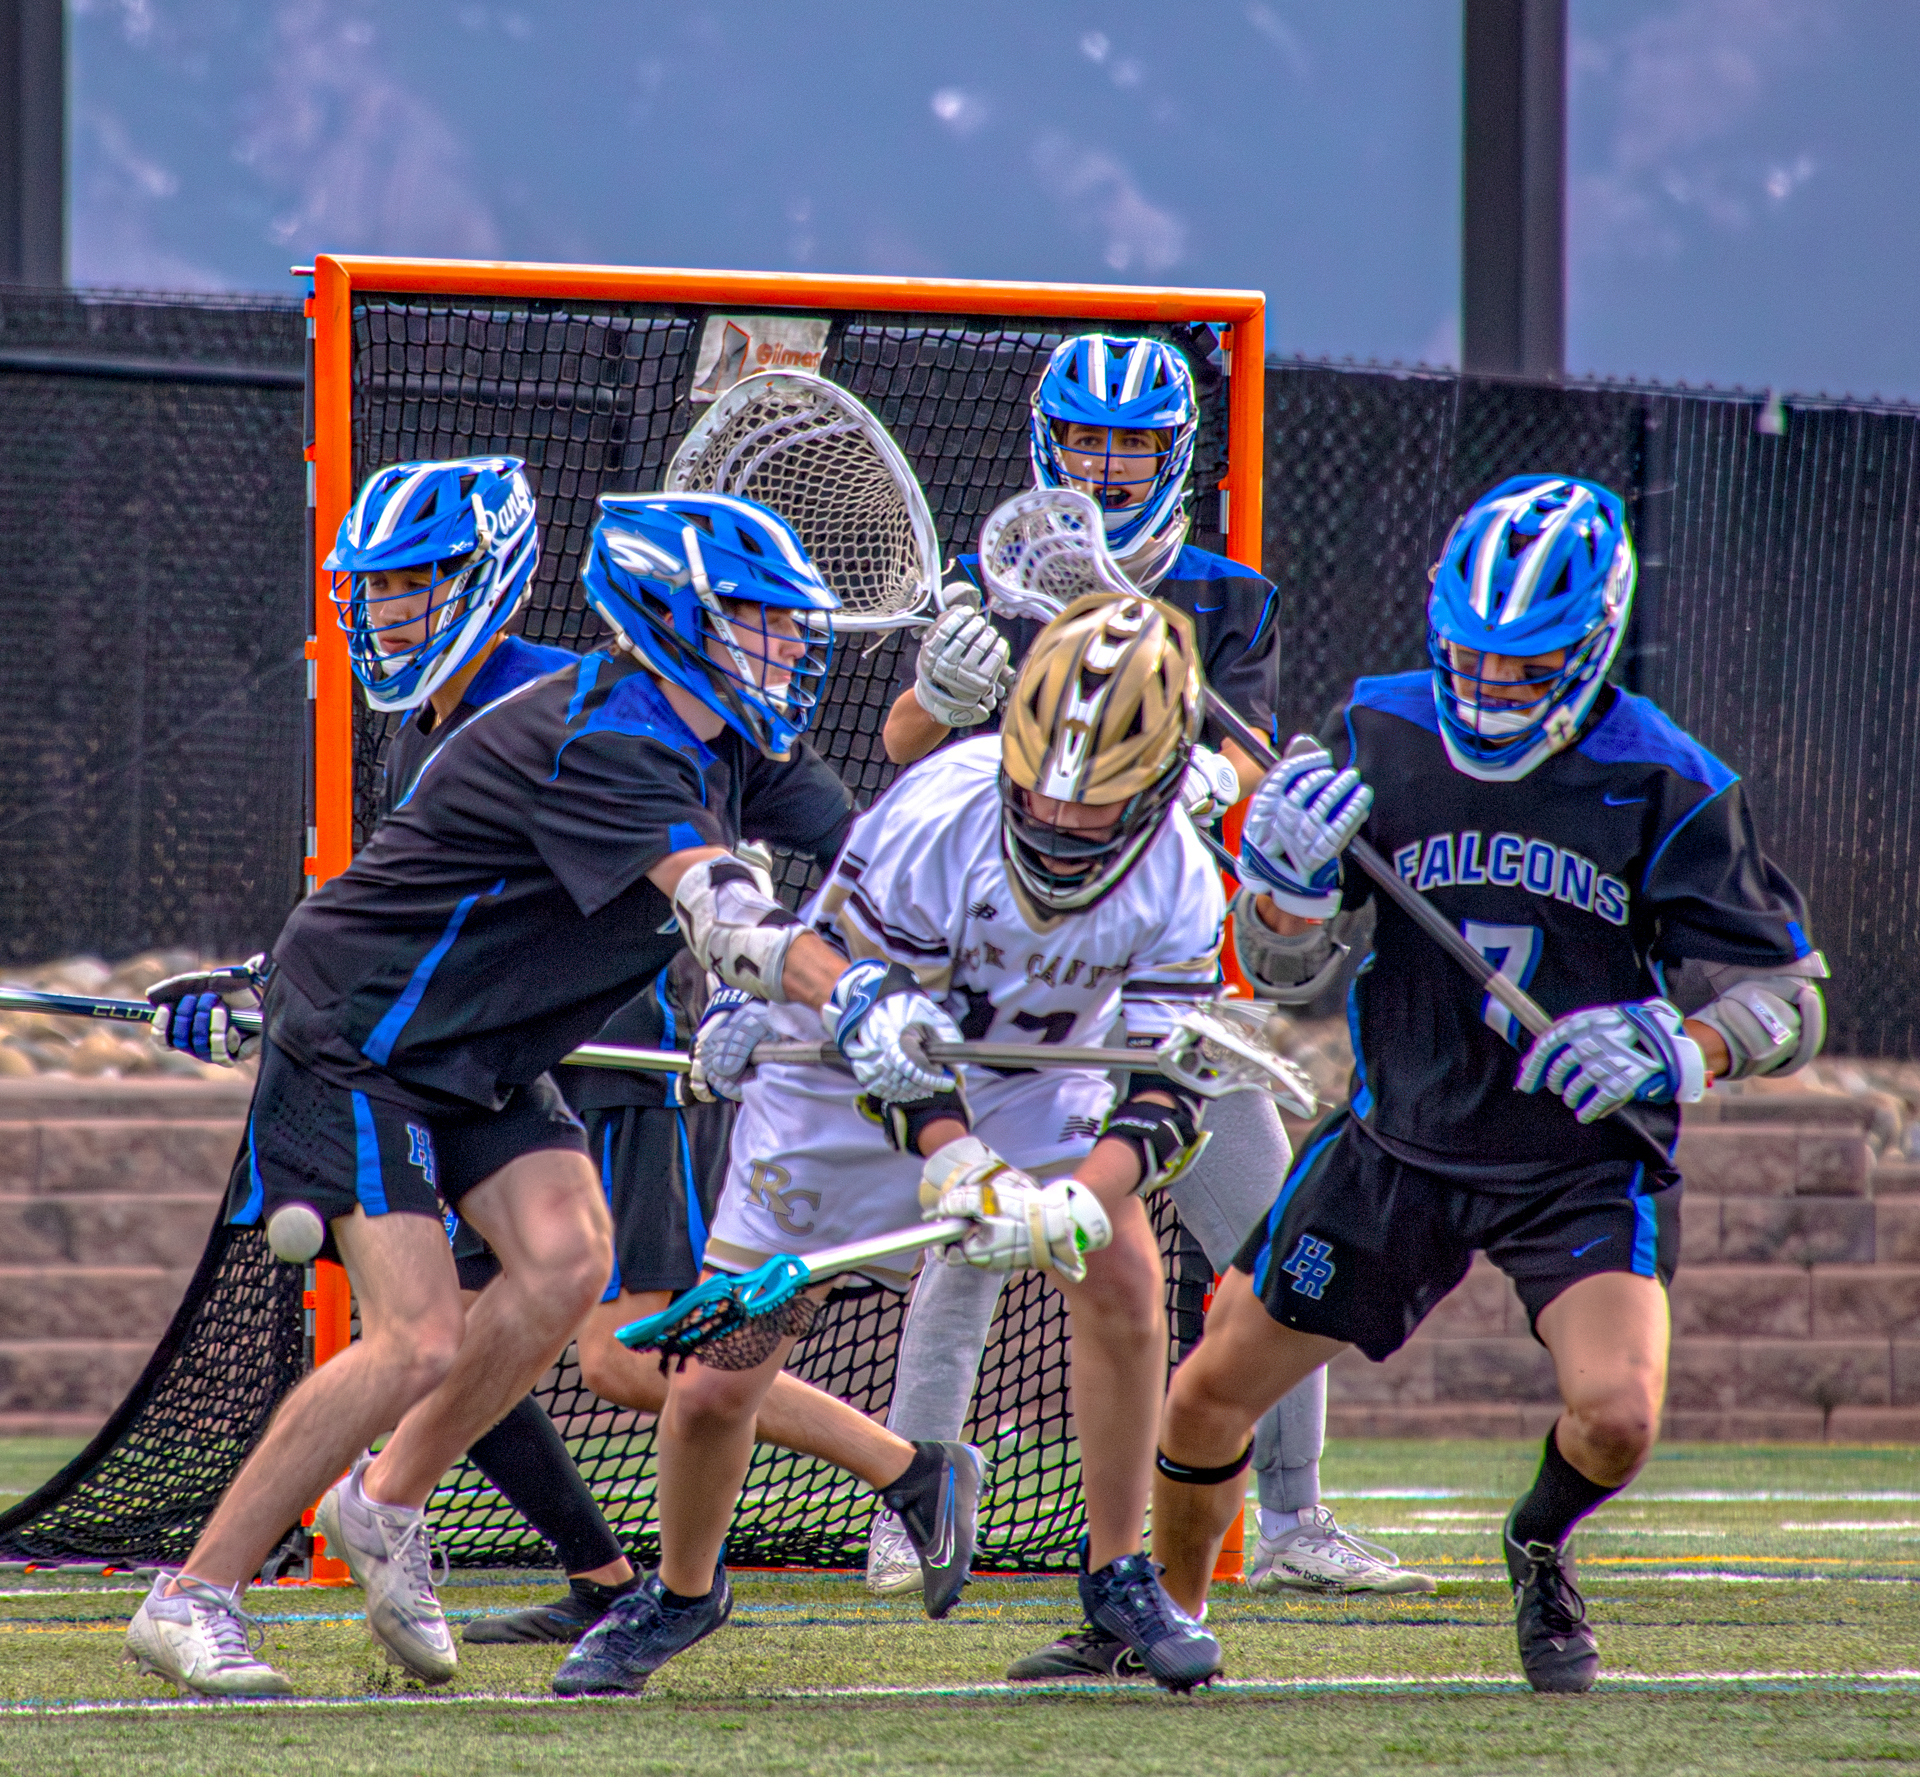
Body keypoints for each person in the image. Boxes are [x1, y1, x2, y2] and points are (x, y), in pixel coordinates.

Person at [124, 473, 977, 1697]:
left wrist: (974, 762)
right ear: (676, 618)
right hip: (363, 1041)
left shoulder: (736, 743)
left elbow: (876, 870)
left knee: (574, 1265)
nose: (791, 643)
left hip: (485, 1053)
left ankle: (388, 1499)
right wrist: (827, 996)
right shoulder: (614, 736)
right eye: (761, 617)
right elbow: (718, 906)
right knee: (415, 1336)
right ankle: (194, 1593)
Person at [1145, 474, 1828, 1692]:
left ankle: (1539, 1541)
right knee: (1205, 1396)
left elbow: (1793, 995)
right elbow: (1275, 966)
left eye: (1528, 666)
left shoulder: (1665, 780)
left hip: (1576, 1160)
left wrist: (1685, 1043)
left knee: (1617, 1416)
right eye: (1474, 656)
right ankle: (1164, 1622)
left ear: (1595, 643)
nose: (1493, 687)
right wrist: (1284, 895)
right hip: (1397, 1143)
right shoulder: (1382, 729)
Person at [870, 332, 1430, 1654]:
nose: (1111, 465)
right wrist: (934, 695)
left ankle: (1290, 1521)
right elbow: (900, 754)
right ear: (1051, 449)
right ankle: (911, 1506)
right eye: (1092, 442)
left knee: (1286, 1239)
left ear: (1173, 455)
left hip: (1167, 971)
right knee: (976, 1243)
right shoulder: (992, 582)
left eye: (1133, 444)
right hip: (1019, 980)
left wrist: (1242, 784)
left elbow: (1223, 776)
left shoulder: (1232, 598)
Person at [652, 591, 1287, 1697]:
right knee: (720, 1380)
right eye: (1039, 789)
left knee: (1125, 1274)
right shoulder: (938, 811)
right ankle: (681, 1592)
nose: (1060, 820)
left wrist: (1084, 1196)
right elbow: (875, 1030)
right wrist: (959, 1163)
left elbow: (1168, 1081)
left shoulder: (1183, 876)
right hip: (851, 1074)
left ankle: (1116, 1573)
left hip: (1038, 1080)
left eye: (1096, 806)